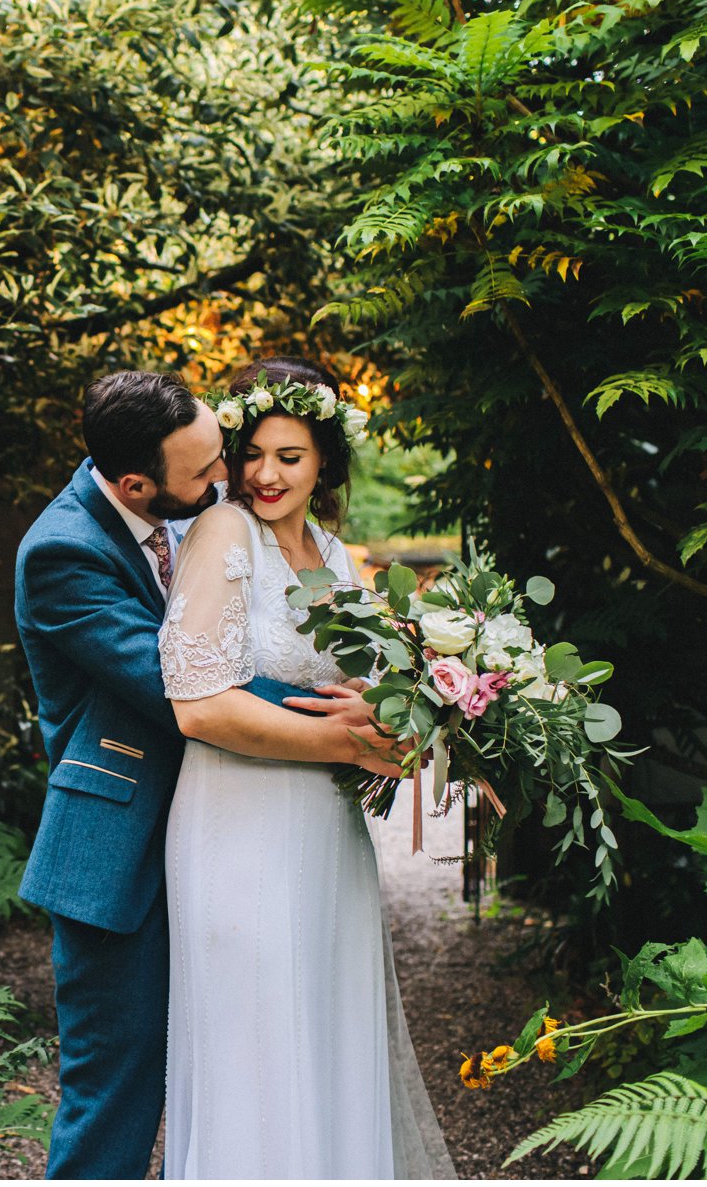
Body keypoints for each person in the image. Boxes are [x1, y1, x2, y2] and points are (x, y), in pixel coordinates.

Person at [14, 370, 409, 1180]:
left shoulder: (219, 521)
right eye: (206, 472)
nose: (228, 479)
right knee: (116, 1090)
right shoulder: (62, 552)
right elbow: (180, 688)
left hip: (238, 825)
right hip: (120, 847)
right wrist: (345, 726)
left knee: (251, 1062)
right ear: (136, 483)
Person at [160, 357, 454, 1178]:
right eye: (252, 452)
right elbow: (197, 703)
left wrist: (406, 718)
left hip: (328, 832)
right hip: (238, 824)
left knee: (325, 1024)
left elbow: (362, 680)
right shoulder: (224, 533)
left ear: (325, 458)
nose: (264, 473)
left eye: (288, 456)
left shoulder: (331, 549)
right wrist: (343, 741)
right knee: (257, 1036)